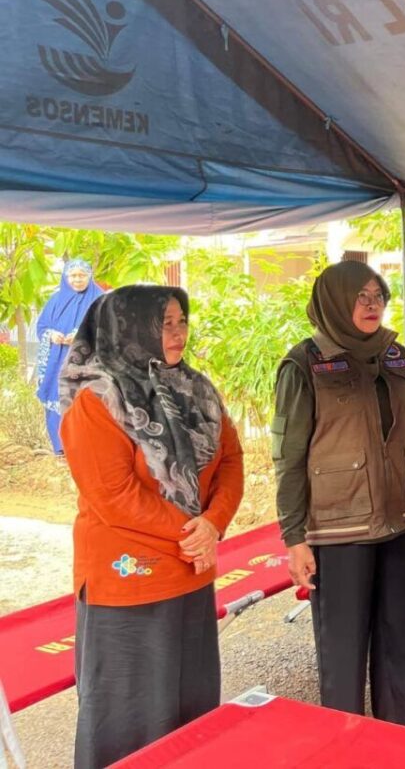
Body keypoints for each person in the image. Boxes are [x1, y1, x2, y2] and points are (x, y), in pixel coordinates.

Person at [59, 285, 244, 769]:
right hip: (129, 583)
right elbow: (113, 497)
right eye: (164, 323)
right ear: (130, 327)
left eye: (182, 320)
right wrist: (195, 531)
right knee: (129, 719)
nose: (178, 332)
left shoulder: (196, 389)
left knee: (189, 710)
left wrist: (214, 524)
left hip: (190, 571)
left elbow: (231, 460)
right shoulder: (97, 399)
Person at [272, 260, 405, 728]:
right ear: (335, 301)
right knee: (343, 642)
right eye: (360, 296)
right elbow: (288, 456)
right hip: (337, 523)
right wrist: (294, 537)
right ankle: (345, 739)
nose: (372, 305)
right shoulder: (304, 363)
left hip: (397, 516)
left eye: (377, 296)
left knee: (402, 634)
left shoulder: (397, 356)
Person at [35, 258, 103, 455]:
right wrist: (51, 335)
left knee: (84, 401)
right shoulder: (56, 300)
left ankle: (85, 448)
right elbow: (41, 327)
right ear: (66, 277)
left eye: (82, 275)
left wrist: (80, 336)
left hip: (87, 362)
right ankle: (60, 447)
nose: (77, 280)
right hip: (57, 360)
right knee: (56, 397)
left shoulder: (99, 299)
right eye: (73, 276)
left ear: (90, 276)